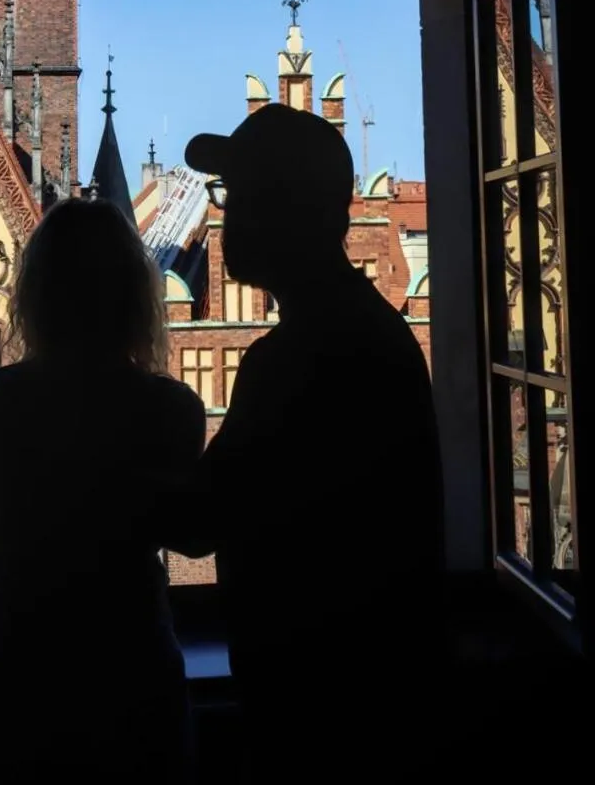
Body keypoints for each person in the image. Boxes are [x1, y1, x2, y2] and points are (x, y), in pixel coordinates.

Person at [166, 103, 446, 778]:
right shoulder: (377, 331)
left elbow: (195, 522)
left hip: (315, 718)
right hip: (375, 707)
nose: (226, 217)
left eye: (238, 196)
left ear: (279, 209)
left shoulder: (292, 358)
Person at [0, 198, 205, 785]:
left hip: (6, 669)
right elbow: (191, 534)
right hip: (129, 673)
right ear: (135, 301)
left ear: (33, 296)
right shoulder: (170, 409)